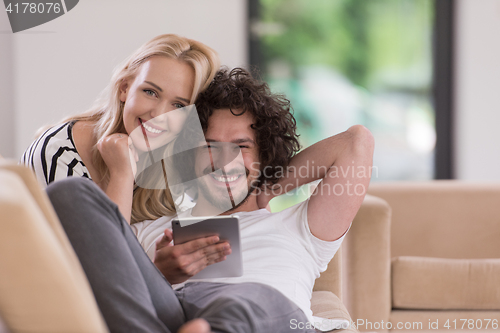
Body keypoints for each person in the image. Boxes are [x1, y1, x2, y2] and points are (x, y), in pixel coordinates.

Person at [131, 67, 375, 328]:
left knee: (252, 300)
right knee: (81, 195)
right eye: (210, 146)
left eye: (241, 146)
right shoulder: (149, 230)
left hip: (264, 317)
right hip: (179, 313)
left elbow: (356, 142)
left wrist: (267, 186)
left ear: (265, 155)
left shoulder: (300, 228)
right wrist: (159, 274)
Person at [20, 33, 220, 224]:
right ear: (125, 88)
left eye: (178, 106)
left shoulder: (179, 157)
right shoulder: (58, 153)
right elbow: (101, 254)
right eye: (150, 92)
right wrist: (122, 175)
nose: (158, 115)